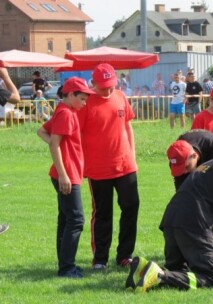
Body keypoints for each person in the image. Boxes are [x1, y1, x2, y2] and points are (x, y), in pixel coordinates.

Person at [126, 143, 213, 293]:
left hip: (172, 219)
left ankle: (143, 269)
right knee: (211, 276)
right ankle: (159, 275)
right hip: (192, 223)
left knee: (179, 269)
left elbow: (200, 197)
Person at [78, 63, 140, 270]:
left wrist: (132, 155)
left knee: (131, 208)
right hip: (98, 168)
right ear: (93, 83)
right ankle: (100, 259)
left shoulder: (121, 96)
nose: (108, 90)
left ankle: (125, 255)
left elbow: (128, 126)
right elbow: (75, 135)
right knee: (103, 213)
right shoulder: (84, 103)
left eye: (111, 85)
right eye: (103, 86)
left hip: (125, 165)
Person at [37, 77, 95, 278]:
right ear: (70, 95)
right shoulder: (66, 114)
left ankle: (65, 264)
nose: (84, 103)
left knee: (66, 219)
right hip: (67, 174)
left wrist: (57, 146)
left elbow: (42, 131)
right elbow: (53, 142)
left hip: (68, 172)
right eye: (82, 98)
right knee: (76, 220)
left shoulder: (64, 111)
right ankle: (67, 268)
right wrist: (63, 174)